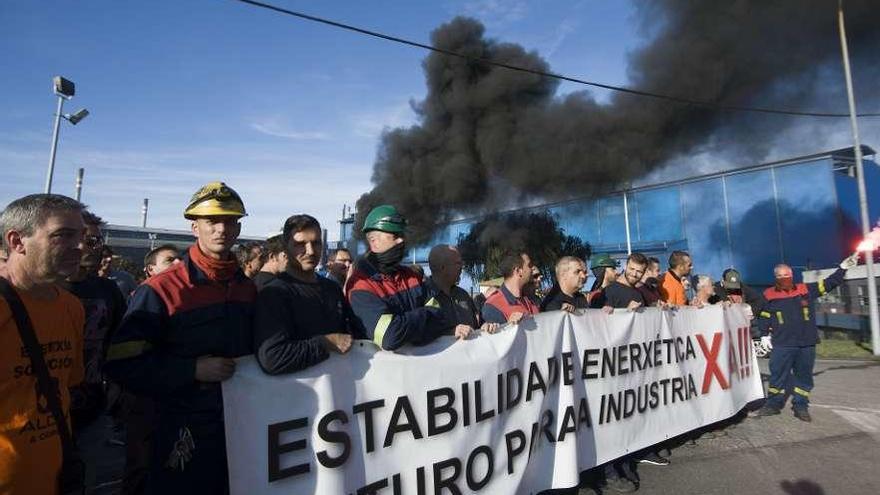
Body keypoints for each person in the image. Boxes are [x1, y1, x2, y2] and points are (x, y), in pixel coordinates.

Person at [105, 181, 256, 493]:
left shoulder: (246, 288)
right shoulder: (160, 289)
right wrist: (191, 370)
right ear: (194, 228)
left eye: (229, 221)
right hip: (178, 428)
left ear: (239, 228)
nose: (221, 230)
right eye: (212, 221)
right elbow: (122, 364)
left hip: (239, 424)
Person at [0, 194, 86, 495]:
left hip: (57, 476)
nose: (80, 246)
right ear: (16, 241)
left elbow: (67, 383)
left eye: (82, 236)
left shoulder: (72, 307)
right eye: (63, 235)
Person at [752, 254, 858, 422]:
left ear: (791, 275)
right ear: (775, 277)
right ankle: (773, 405)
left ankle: (800, 405)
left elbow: (829, 283)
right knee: (777, 376)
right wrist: (764, 335)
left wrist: (843, 269)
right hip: (782, 344)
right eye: (780, 276)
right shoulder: (768, 294)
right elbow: (764, 315)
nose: (784, 278)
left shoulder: (805, 290)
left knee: (804, 377)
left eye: (786, 275)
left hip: (806, 343)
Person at [254, 215, 364, 374]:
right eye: (300, 244)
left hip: (341, 389)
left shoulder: (332, 289)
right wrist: (325, 343)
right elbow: (272, 357)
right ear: (285, 247)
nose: (310, 251)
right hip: (297, 395)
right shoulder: (274, 294)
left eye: (316, 243)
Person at [122, 244, 180, 495]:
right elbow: (126, 361)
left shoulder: (182, 296)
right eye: (169, 261)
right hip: (144, 401)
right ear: (150, 269)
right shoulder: (146, 296)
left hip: (172, 400)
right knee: (143, 466)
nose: (177, 264)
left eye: (179, 259)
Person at [346, 205, 445, 350]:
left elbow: (440, 318)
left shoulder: (412, 277)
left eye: (402, 236)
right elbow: (390, 336)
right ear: (373, 241)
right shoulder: (360, 286)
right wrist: (425, 316)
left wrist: (403, 323)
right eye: (395, 236)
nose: (402, 241)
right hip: (383, 372)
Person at [64, 211, 128, 432]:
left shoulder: (107, 289)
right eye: (90, 241)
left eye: (98, 240)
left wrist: (117, 383)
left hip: (92, 405)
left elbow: (120, 341)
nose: (96, 247)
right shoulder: (44, 289)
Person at [423, 244, 498, 339]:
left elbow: (475, 326)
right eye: (458, 263)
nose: (462, 267)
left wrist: (484, 328)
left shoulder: (463, 296)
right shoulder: (420, 296)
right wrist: (452, 332)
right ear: (443, 268)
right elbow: (418, 335)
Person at [481, 251, 540, 324]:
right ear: (518, 271)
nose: (532, 269)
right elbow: (496, 334)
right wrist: (509, 327)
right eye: (529, 266)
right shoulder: (493, 306)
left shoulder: (532, 299)